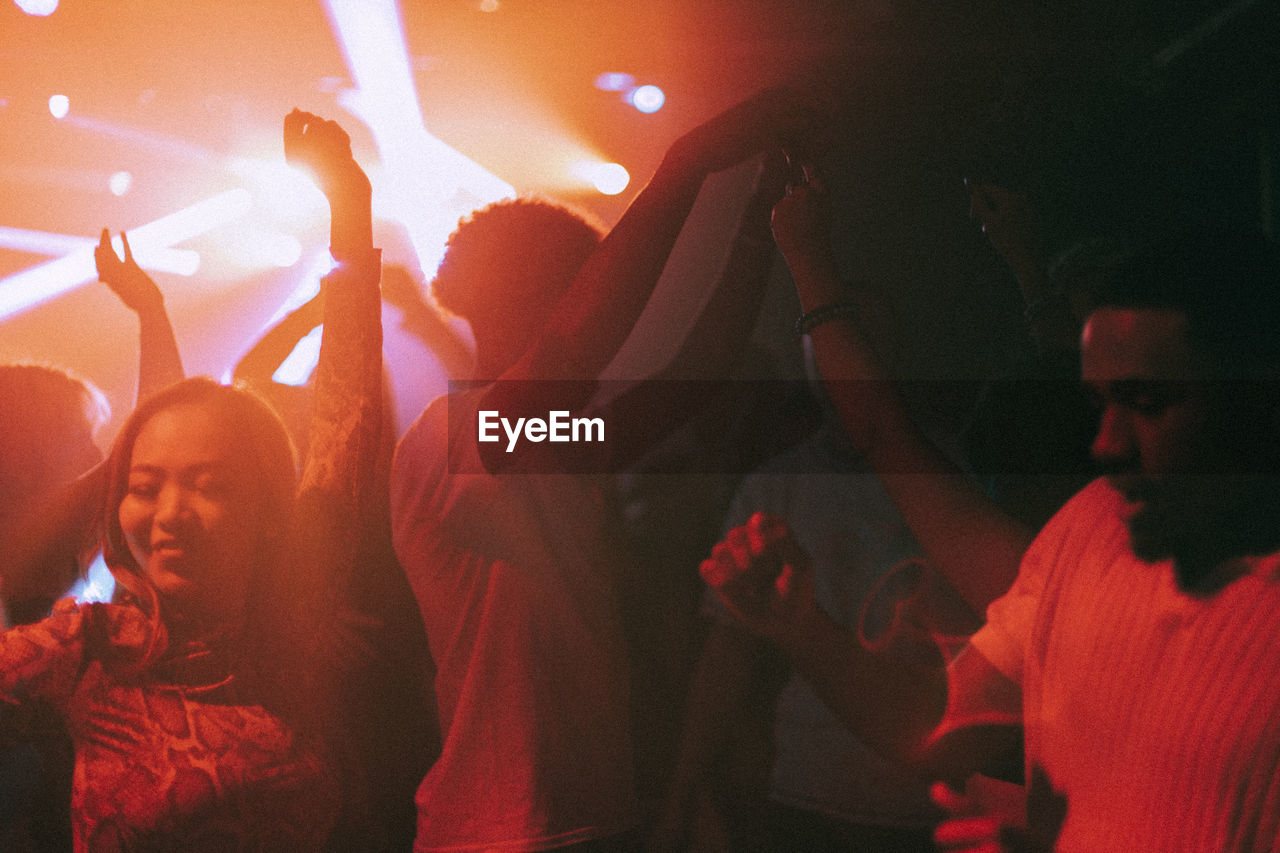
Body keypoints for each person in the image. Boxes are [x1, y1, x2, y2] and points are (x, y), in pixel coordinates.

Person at [703, 228, 1280, 851]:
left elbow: (884, 435)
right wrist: (802, 628)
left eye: (1147, 401)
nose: (1106, 444)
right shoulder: (1088, 530)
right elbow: (944, 726)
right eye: (1098, 402)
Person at [390, 89, 816, 851]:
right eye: (578, 288)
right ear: (533, 301)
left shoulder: (562, 437)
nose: (615, 322)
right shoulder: (454, 434)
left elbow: (705, 367)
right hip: (496, 832)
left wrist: (758, 216)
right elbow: (570, 353)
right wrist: (684, 169)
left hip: (588, 821)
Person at [0, 108, 383, 850]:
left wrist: (349, 207)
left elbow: (348, 411)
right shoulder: (95, 646)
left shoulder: (300, 615)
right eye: (144, 486)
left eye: (208, 485)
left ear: (269, 508)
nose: (169, 512)